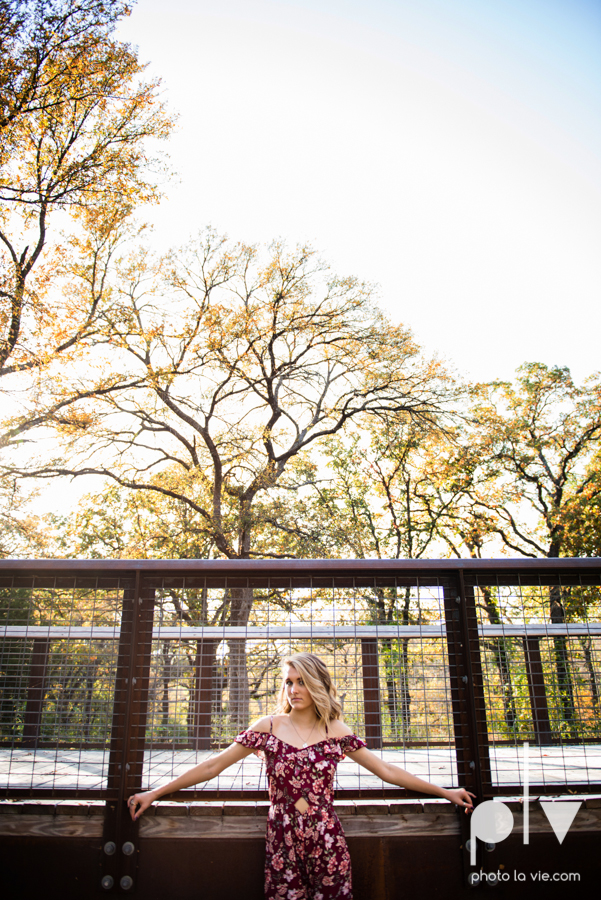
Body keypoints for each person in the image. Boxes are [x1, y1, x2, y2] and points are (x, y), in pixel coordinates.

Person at [128, 651, 475, 899]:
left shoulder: (335, 729)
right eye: (288, 682)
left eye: (301, 682)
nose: (293, 689)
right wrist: (154, 793)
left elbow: (386, 771)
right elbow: (211, 766)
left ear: (316, 685)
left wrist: (445, 792)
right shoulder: (268, 727)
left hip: (327, 839)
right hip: (282, 841)